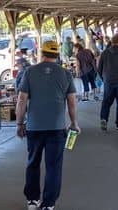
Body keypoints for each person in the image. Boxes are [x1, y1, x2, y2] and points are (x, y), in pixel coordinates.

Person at [16, 40, 79, 210]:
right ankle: (48, 203)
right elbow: (72, 101)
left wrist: (19, 123)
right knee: (54, 166)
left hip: (34, 127)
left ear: (42, 53)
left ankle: (32, 199)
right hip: (57, 128)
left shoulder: (30, 72)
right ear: (57, 54)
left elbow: (22, 100)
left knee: (33, 163)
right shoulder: (65, 74)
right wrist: (74, 123)